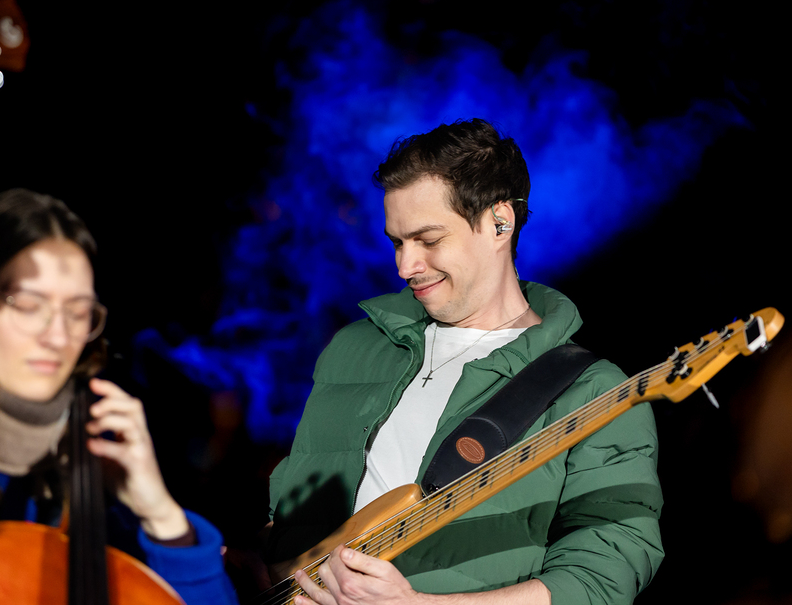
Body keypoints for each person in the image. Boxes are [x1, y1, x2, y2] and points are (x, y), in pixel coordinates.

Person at [266, 120, 663, 604]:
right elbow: (286, 521)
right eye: (397, 242)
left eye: (428, 240)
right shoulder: (353, 348)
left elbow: (604, 574)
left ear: (500, 223)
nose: (405, 266)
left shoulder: (594, 390)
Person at [0, 189, 237, 605]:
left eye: (78, 312)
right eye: (30, 304)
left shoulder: (99, 469)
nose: (58, 336)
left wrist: (161, 514)